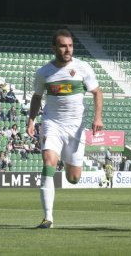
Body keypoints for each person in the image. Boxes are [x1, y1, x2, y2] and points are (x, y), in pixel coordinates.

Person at [26, 29, 103, 229]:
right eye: (63, 45)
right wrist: (31, 120)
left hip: (76, 128)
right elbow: (36, 96)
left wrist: (97, 117)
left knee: (74, 177)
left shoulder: (83, 68)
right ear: (54, 48)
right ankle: (48, 218)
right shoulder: (43, 72)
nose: (67, 49)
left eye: (70, 45)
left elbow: (97, 92)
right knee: (48, 162)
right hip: (52, 124)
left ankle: (69, 166)